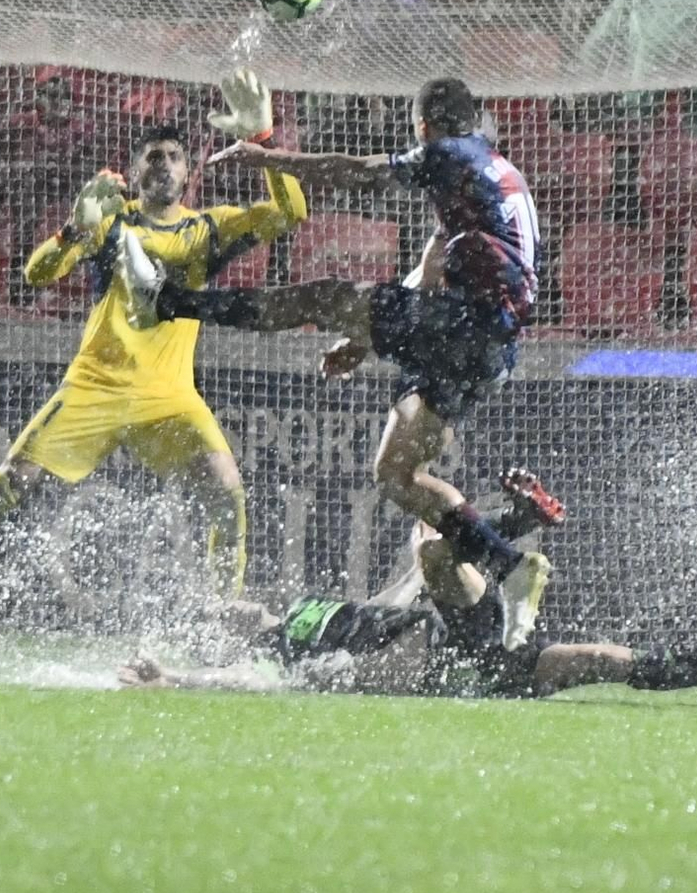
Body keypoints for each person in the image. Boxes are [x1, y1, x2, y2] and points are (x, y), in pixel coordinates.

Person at [0, 70, 306, 640]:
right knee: (10, 483)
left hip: (168, 394)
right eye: (152, 157)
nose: (163, 165)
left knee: (226, 488)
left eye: (173, 157)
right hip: (96, 386)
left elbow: (291, 212)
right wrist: (71, 229)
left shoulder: (207, 231)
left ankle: (222, 616)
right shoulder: (110, 223)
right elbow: (36, 274)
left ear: (189, 173)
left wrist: (263, 141)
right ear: (133, 172)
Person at [117, 76, 549, 650]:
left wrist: (268, 158)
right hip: (488, 347)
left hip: (467, 324)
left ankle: (165, 300)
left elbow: (360, 171)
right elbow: (432, 260)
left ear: (423, 126)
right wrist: (367, 339)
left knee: (320, 297)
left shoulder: (452, 153)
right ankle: (510, 564)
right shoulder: (496, 173)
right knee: (398, 474)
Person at [120, 469, 697, 698]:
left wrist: (511, 518)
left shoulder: (314, 610)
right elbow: (242, 681)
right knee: (601, 659)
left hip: (460, 641)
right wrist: (175, 678)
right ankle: (517, 556)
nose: (232, 608)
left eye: (225, 609)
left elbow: (404, 587)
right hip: (445, 665)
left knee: (432, 548)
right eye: (224, 616)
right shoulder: (278, 656)